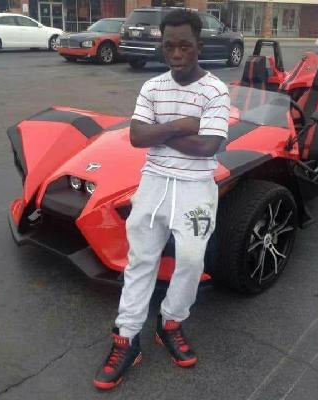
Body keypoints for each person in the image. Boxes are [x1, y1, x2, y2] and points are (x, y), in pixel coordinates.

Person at [93, 9, 230, 390]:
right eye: (169, 46)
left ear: (199, 45)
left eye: (185, 45)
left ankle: (170, 322)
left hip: (195, 186)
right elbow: (137, 137)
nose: (177, 54)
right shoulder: (152, 87)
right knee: (140, 260)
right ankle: (126, 338)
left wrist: (160, 132)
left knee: (191, 260)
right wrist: (182, 125)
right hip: (154, 182)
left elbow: (208, 146)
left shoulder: (215, 91)